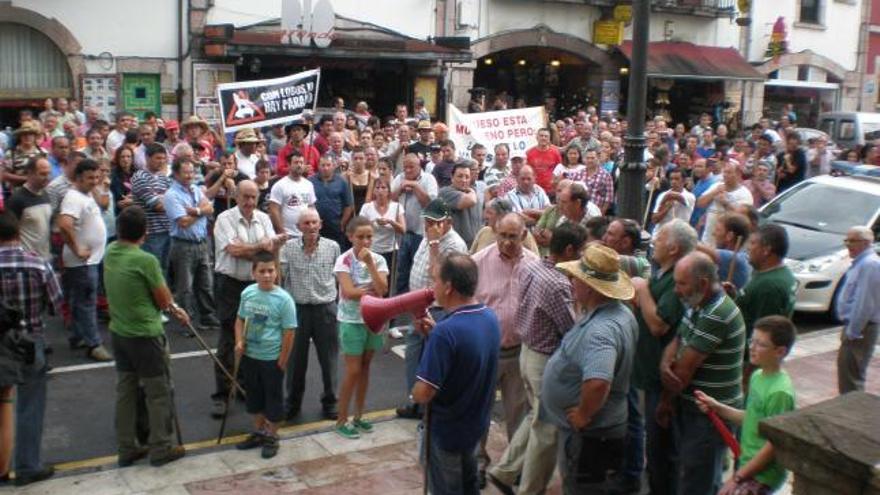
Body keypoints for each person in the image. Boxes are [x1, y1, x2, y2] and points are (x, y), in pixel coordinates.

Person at [487, 224, 587, 495]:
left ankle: (505, 470)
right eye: (580, 252)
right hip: (544, 361)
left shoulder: (533, 267)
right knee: (548, 430)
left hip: (527, 352)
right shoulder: (557, 283)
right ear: (568, 250)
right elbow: (571, 329)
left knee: (536, 417)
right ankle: (530, 489)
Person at [543, 243, 638, 494]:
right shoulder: (619, 313)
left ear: (590, 286)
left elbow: (598, 381)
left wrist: (584, 414)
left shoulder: (601, 331)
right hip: (602, 432)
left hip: (592, 437)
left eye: (576, 278)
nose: (571, 282)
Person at [103, 206, 189, 468]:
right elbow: (164, 300)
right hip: (145, 335)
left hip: (119, 332)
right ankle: (161, 447)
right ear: (145, 232)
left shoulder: (110, 252)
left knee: (126, 390)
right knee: (158, 391)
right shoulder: (145, 260)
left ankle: (127, 447)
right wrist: (178, 311)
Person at [411, 253, 500, 495]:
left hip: (446, 432)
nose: (432, 287)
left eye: (436, 280)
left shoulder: (445, 333)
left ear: (449, 287)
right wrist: (437, 333)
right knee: (469, 485)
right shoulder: (490, 317)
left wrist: (434, 341)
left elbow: (423, 393)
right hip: (474, 425)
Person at [657, 252, 746, 495]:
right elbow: (678, 339)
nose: (676, 290)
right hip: (694, 408)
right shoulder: (697, 303)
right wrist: (665, 363)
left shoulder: (716, 313)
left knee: (699, 482)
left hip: (709, 414)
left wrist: (665, 400)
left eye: (681, 283)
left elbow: (682, 373)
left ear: (703, 284)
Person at [628, 219, 697, 495]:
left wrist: (642, 290)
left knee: (662, 449)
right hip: (646, 374)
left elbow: (659, 325)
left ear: (673, 248)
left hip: (661, 381)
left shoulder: (676, 281)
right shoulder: (661, 273)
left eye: (659, 238)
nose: (653, 241)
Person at [695, 316, 797, 495]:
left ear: (780, 351)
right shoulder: (758, 376)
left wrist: (738, 477)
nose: (753, 347)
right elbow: (751, 417)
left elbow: (773, 445)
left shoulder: (780, 393)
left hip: (764, 475)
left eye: (761, 344)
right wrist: (717, 407)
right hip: (748, 465)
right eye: (752, 341)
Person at [472, 213, 537, 485]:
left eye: (513, 236)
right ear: (495, 233)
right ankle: (476, 463)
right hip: (485, 352)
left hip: (520, 351)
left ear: (523, 236)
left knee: (518, 413)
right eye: (502, 236)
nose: (507, 242)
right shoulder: (478, 262)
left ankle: (514, 465)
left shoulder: (535, 265)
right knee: (479, 411)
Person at [0, 212, 62, 486]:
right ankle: (28, 465)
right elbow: (56, 301)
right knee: (30, 405)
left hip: (2, 341)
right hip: (30, 339)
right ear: (18, 233)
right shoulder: (37, 264)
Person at [212, 181, 283, 417]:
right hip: (230, 284)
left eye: (253, 197)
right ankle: (222, 394)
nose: (249, 202)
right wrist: (257, 247)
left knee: (253, 336)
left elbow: (267, 253)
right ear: (235, 195)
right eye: (245, 197)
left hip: (255, 284)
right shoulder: (224, 219)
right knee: (228, 338)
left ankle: (242, 385)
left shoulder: (263, 218)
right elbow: (234, 251)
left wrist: (254, 249)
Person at [396, 199, 467, 419]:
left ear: (447, 222)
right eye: (426, 222)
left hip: (437, 310)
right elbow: (417, 265)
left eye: (433, 222)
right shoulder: (427, 236)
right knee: (413, 356)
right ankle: (415, 403)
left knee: (430, 360)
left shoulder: (454, 245)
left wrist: (435, 244)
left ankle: (429, 405)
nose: (428, 226)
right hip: (420, 305)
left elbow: (438, 275)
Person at [233, 251, 297, 459]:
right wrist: (239, 341)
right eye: (262, 271)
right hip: (251, 356)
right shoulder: (248, 294)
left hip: (271, 359)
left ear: (277, 272)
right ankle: (259, 431)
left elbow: (289, 331)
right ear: (254, 273)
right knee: (254, 397)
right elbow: (240, 319)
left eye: (271, 271)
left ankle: (272, 435)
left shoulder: (284, 299)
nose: (267, 275)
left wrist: (282, 360)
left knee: (274, 399)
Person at [280, 210, 341, 420]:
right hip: (298, 310)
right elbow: (281, 277)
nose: (311, 226)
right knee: (295, 361)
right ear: (299, 227)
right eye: (306, 222)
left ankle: (331, 401)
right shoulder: (288, 248)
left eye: (315, 222)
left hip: (326, 309)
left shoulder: (333, 247)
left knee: (329, 359)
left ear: (321, 224)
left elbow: (339, 277)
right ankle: (292, 403)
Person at [333, 216, 389, 439]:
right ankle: (341, 419)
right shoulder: (343, 260)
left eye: (369, 237)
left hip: (373, 319)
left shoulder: (379, 260)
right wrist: (369, 289)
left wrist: (371, 266)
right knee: (353, 369)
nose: (365, 242)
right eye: (360, 237)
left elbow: (382, 289)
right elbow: (348, 292)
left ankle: (359, 415)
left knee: (365, 367)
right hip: (351, 321)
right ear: (350, 237)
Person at [57, 159, 112, 361]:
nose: (95, 180)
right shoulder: (73, 197)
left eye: (97, 177)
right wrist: (77, 248)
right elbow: (64, 224)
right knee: (87, 302)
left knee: (79, 300)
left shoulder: (86, 193)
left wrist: (99, 188)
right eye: (90, 177)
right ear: (79, 177)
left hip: (89, 260)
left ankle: (78, 336)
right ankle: (94, 344)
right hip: (82, 262)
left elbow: (104, 204)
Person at [163, 159, 220, 334]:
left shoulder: (196, 189)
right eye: (185, 172)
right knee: (185, 287)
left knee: (205, 283)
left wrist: (196, 211)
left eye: (192, 172)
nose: (190, 176)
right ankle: (185, 322)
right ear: (176, 174)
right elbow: (183, 222)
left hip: (202, 242)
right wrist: (202, 210)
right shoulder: (171, 195)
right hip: (183, 245)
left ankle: (207, 316)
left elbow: (210, 209)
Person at [727, 224, 796, 363]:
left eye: (753, 243)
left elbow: (765, 336)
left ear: (766, 250)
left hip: (748, 362)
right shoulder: (780, 274)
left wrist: (749, 373)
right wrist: (736, 296)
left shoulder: (769, 286)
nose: (748, 248)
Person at [836, 226, 880, 393]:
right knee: (848, 376)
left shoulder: (870, 265)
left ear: (867, 243)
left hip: (861, 330)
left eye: (852, 241)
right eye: (846, 240)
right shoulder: (862, 263)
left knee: (851, 380)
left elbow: (864, 304)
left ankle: (851, 415)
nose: (848, 244)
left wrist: (853, 332)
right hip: (857, 328)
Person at [390, 154, 439, 295]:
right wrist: (400, 189)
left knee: (418, 269)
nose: (408, 170)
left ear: (419, 166)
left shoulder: (429, 179)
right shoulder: (399, 177)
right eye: (405, 167)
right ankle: (400, 301)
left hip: (421, 233)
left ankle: (416, 301)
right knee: (401, 270)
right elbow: (390, 200)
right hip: (403, 232)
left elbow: (430, 204)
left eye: (411, 167)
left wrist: (415, 186)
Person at [131, 144, 173, 276]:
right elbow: (157, 206)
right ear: (147, 158)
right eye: (157, 158)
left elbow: (175, 200)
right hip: (151, 232)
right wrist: (168, 201)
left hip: (167, 230)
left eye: (163, 158)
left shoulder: (163, 177)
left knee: (164, 269)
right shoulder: (140, 177)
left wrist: (164, 199)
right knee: (153, 270)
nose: (161, 161)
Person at [7, 157, 53, 260]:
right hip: (27, 260)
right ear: (30, 173)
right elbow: (10, 232)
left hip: (46, 258)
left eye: (48, 173)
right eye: (42, 174)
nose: (47, 177)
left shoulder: (46, 195)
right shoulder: (17, 199)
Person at [696, 161, 753, 244]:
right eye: (724, 172)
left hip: (727, 243)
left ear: (738, 174)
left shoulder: (745, 194)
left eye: (729, 172)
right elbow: (700, 203)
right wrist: (714, 192)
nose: (725, 175)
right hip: (708, 238)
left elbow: (743, 218)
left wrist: (725, 203)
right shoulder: (716, 186)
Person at [359, 178, 405, 272]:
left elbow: (403, 230)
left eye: (383, 187)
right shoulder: (366, 207)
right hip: (372, 250)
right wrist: (373, 222)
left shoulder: (397, 207)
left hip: (391, 251)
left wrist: (391, 222)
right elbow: (359, 228)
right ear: (374, 191)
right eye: (377, 187)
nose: (380, 190)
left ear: (388, 191)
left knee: (389, 281)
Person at [268, 150, 317, 237]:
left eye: (301, 162)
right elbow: (274, 210)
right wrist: (281, 231)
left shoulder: (309, 185)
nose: (299, 165)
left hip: (306, 234)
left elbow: (311, 207)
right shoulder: (280, 185)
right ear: (289, 165)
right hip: (288, 234)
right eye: (296, 162)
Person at [699, 212, 752, 290]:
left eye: (718, 230)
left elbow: (694, 246)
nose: (713, 233)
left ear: (729, 236)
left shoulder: (738, 258)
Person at [310, 156, 353, 248]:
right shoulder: (310, 182)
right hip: (315, 225)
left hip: (336, 226)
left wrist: (342, 223)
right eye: (323, 165)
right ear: (318, 166)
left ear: (333, 166)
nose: (325, 168)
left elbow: (348, 205)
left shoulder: (342, 182)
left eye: (328, 165)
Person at [470, 198, 539, 255]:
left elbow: (535, 260)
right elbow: (471, 255)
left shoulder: (521, 234)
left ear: (501, 216)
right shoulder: (484, 231)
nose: (485, 216)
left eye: (489, 213)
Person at [439, 163, 482, 248]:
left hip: (474, 246)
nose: (464, 180)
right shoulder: (445, 192)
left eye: (467, 177)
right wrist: (472, 192)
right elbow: (471, 201)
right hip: (454, 247)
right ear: (452, 177)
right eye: (460, 176)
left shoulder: (472, 193)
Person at [651, 168, 694, 239]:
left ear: (684, 181)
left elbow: (675, 196)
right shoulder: (662, 195)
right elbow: (654, 219)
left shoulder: (690, 196)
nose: (673, 182)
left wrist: (664, 200)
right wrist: (666, 208)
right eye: (671, 179)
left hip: (678, 238)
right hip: (660, 237)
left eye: (677, 179)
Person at [525, 128, 561, 195]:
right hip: (534, 190)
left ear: (549, 138)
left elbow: (560, 170)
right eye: (541, 136)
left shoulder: (555, 152)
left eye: (546, 136)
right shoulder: (529, 153)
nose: (543, 138)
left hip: (551, 191)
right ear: (537, 137)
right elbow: (526, 172)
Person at [582, 149, 615, 215]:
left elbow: (608, 198)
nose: (590, 160)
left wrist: (601, 213)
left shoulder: (606, 175)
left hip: (597, 212)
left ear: (597, 158)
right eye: (587, 158)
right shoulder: (578, 173)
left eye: (592, 158)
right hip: (580, 212)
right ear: (584, 159)